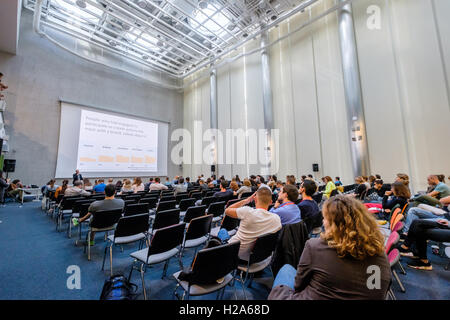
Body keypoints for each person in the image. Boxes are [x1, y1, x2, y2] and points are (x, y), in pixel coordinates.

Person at [268, 195, 390, 300]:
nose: (323, 222)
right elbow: (377, 289)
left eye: (325, 218)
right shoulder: (379, 252)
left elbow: (299, 285)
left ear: (334, 223)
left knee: (286, 269)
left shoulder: (314, 246)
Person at [222, 188, 282, 260]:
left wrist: (245, 201)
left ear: (255, 200)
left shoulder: (247, 212)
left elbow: (227, 210)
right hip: (260, 258)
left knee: (222, 231)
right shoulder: (277, 219)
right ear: (271, 202)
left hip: (235, 254)